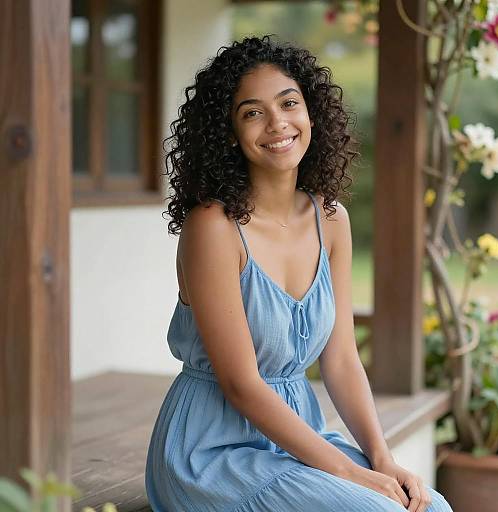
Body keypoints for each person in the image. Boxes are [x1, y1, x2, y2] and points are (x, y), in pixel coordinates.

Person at [145, 35, 453, 512]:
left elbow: (342, 359)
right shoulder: (213, 227)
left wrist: (380, 458)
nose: (277, 123)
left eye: (289, 103)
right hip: (212, 453)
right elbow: (241, 385)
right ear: (229, 131)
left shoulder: (332, 220)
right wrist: (349, 472)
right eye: (252, 112)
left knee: (432, 507)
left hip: (296, 437)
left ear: (311, 114)